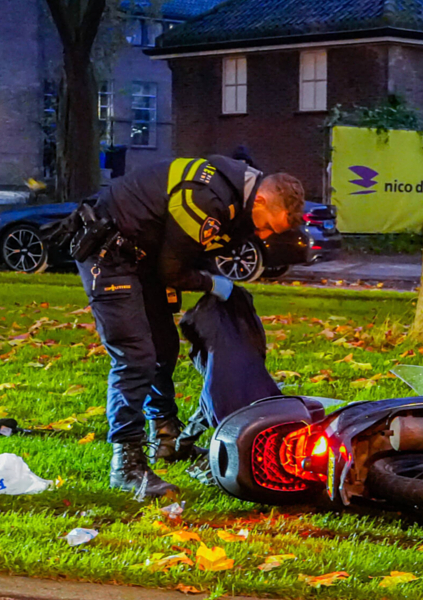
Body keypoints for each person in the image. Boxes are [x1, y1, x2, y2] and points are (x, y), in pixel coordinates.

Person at [45, 157, 305, 499]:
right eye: (267, 225)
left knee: (163, 349)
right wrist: (213, 285)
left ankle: (166, 438)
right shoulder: (208, 197)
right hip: (109, 254)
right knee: (135, 356)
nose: (263, 234)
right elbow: (173, 271)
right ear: (260, 200)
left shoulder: (237, 197)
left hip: (143, 256)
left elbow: (191, 254)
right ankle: (126, 463)